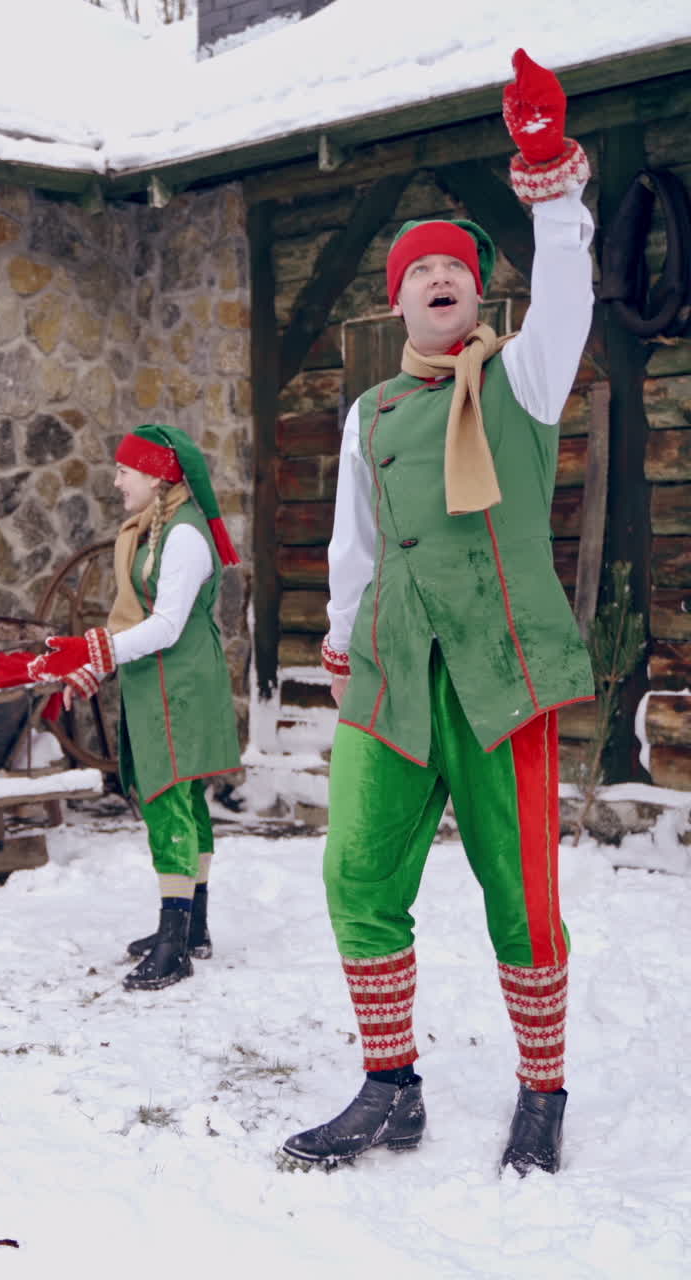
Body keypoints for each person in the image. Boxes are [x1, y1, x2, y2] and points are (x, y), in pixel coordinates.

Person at [279, 50, 595, 1177]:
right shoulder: (367, 411)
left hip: (497, 670)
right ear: (395, 302)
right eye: (418, 274)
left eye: (454, 269)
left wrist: (547, 182)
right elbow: (352, 539)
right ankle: (388, 1084)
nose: (437, 281)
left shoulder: (520, 379)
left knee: (520, 894)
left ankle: (541, 1088)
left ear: (474, 293)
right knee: (354, 875)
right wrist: (338, 634)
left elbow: (565, 292)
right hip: (386, 670)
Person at [31, 424, 242, 991]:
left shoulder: (185, 537)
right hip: (160, 680)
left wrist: (95, 648)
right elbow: (133, 619)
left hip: (181, 682)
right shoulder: (154, 531)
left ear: (156, 475)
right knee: (182, 798)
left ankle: (174, 945)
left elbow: (168, 626)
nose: (117, 479)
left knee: (169, 798)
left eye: (126, 470)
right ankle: (192, 927)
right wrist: (89, 665)